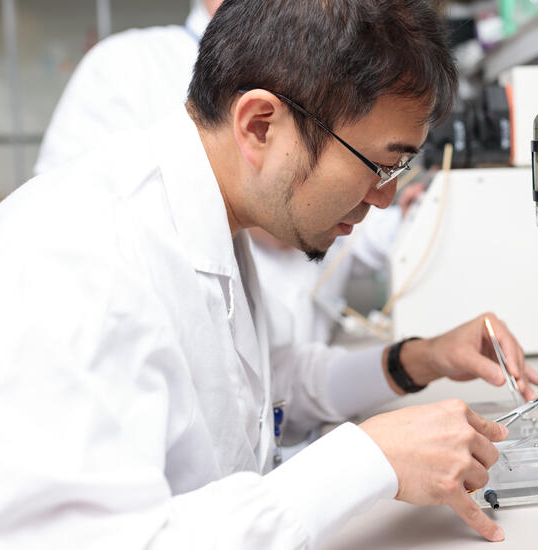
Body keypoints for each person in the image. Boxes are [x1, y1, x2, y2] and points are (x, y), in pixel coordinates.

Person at [0, 1, 538, 548]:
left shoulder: (212, 220)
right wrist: (366, 459)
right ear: (259, 125)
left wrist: (420, 359)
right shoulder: (77, 263)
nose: (387, 198)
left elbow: (264, 389)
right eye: (380, 164)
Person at [35, 0, 409, 347]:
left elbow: (280, 384)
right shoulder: (129, 67)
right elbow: (69, 220)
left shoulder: (329, 66)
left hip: (283, 346)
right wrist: (269, 198)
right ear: (258, 127)